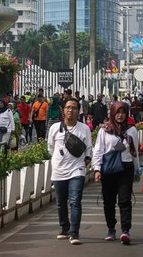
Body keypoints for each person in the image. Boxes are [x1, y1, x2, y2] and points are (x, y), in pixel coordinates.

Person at [93, 101, 140, 244]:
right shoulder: (104, 130)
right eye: (117, 112)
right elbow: (98, 150)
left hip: (126, 168)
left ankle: (125, 230)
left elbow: (135, 152)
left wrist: (137, 169)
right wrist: (96, 169)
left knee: (125, 200)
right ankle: (111, 228)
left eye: (123, 112)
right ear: (112, 113)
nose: (120, 115)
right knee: (108, 201)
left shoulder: (132, 130)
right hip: (109, 169)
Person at [47, 97, 92, 245]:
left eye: (74, 108)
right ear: (63, 110)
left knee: (75, 201)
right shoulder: (55, 128)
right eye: (68, 108)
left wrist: (86, 161)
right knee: (61, 203)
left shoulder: (84, 128)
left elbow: (88, 148)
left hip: (77, 170)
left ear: (78, 111)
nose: (70, 111)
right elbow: (50, 148)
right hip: (59, 171)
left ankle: (74, 232)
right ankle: (64, 228)